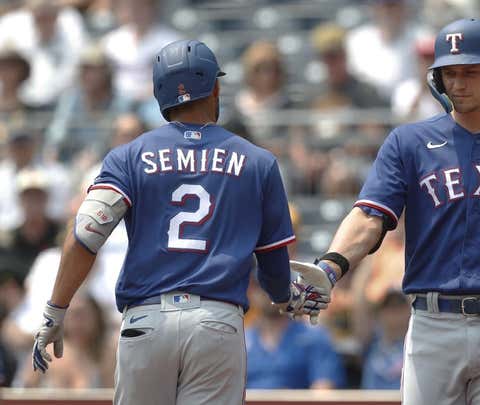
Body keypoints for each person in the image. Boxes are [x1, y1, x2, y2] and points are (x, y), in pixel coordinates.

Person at [294, 18, 480, 404]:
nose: (459, 83)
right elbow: (370, 217)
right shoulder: (409, 142)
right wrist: (331, 266)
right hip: (434, 321)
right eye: (449, 73)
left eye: (471, 71)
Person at [30, 39, 323, 405]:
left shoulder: (128, 156)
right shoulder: (257, 162)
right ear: (215, 87)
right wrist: (287, 295)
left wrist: (55, 310)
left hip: (146, 321)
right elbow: (272, 263)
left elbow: (84, 236)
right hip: (216, 322)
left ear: (160, 94)